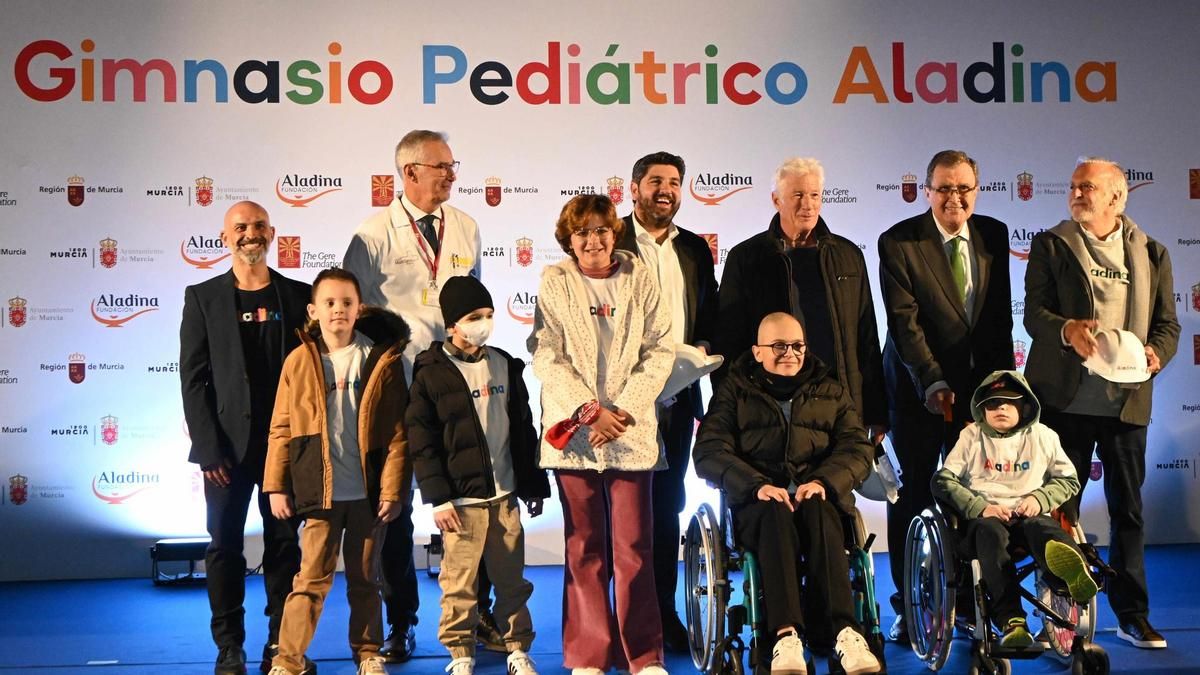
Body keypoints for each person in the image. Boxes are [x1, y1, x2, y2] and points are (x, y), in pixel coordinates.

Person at [1023, 157, 1180, 649]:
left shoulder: (1152, 252)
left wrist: (1158, 353)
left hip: (1126, 404)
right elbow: (1033, 315)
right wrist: (1065, 330)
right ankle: (1058, 617)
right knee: (1056, 512)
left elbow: (1169, 326)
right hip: (1064, 403)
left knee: (1127, 511)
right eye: (1072, 186)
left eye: (1086, 187)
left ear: (1116, 197)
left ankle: (1132, 616)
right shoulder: (1051, 244)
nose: (1075, 194)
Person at [343, 129, 483, 660]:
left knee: (469, 500)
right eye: (441, 166)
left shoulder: (466, 225)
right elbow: (354, 317)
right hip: (398, 385)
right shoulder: (373, 233)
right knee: (394, 510)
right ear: (409, 173)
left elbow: (475, 303)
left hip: (456, 382)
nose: (451, 174)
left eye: (453, 165)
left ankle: (476, 616)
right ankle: (401, 623)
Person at [529, 194, 674, 675]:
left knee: (633, 549)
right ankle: (589, 654)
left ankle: (644, 655)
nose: (592, 241)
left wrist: (624, 411)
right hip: (575, 433)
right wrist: (590, 410)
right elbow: (545, 353)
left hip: (630, 433)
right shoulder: (554, 281)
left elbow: (659, 350)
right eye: (582, 233)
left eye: (600, 231)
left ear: (615, 234)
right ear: (568, 241)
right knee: (583, 547)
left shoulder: (641, 277)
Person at [694, 312, 882, 675]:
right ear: (758, 351)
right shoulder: (734, 392)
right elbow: (708, 451)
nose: (790, 353)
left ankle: (845, 631)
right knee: (776, 510)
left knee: (819, 507)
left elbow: (857, 449)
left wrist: (825, 481)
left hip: (819, 499)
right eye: (778, 346)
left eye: (797, 345)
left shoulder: (830, 389)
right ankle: (785, 636)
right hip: (759, 503)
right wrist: (756, 485)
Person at [877, 150, 1014, 642]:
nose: (954, 197)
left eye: (964, 188)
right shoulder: (898, 241)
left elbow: (998, 322)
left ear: (976, 190)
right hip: (917, 391)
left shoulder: (995, 235)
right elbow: (905, 324)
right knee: (913, 495)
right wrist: (933, 381)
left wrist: (1003, 391)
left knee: (970, 495)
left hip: (977, 396)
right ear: (926, 190)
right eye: (944, 188)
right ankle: (908, 604)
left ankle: (963, 600)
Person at [180, 200, 310, 675]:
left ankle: (280, 642)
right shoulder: (203, 297)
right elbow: (192, 379)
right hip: (226, 454)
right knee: (223, 546)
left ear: (271, 233)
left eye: (257, 226)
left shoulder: (298, 297)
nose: (249, 234)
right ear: (224, 238)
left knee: (284, 545)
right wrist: (209, 448)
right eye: (240, 227)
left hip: (285, 450)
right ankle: (229, 645)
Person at [262, 267, 410, 675]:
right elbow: (281, 427)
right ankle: (288, 660)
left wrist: (392, 491)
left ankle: (368, 653)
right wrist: (276, 486)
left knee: (365, 580)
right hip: (319, 494)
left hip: (366, 494)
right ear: (314, 310)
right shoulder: (297, 361)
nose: (338, 311)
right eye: (329, 303)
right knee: (309, 580)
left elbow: (398, 434)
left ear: (359, 309)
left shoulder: (381, 360)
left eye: (346, 302)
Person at [408, 275, 551, 675]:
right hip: (460, 504)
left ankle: (517, 649)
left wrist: (533, 484)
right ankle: (460, 654)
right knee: (459, 586)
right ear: (452, 324)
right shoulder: (430, 373)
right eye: (474, 316)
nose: (484, 323)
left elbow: (523, 430)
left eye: (488, 315)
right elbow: (423, 443)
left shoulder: (505, 364)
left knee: (512, 582)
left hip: (504, 498)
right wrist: (437, 500)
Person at [616, 151, 719, 651]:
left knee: (665, 509)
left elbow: (709, 316)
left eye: (675, 182)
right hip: (620, 405)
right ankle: (622, 620)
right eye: (655, 181)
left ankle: (662, 613)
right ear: (633, 188)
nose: (666, 190)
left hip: (677, 400)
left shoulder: (696, 249)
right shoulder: (607, 239)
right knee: (623, 515)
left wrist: (701, 346)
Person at [715, 158, 886, 446]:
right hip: (768, 409)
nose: (807, 204)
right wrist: (726, 412)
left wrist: (876, 410)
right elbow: (729, 342)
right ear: (776, 200)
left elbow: (866, 336)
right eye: (797, 195)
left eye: (814, 195)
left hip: (838, 406)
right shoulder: (746, 257)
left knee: (833, 489)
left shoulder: (848, 255)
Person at [932, 371, 1099, 647]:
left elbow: (1069, 480)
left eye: (1008, 403)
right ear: (981, 408)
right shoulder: (970, 436)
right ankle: (1012, 621)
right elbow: (942, 480)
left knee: (1043, 527)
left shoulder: (1043, 435)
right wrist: (980, 506)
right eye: (993, 403)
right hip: (985, 523)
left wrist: (1040, 499)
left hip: (1029, 518)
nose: (1000, 409)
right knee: (991, 534)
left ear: (1024, 406)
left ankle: (1070, 573)